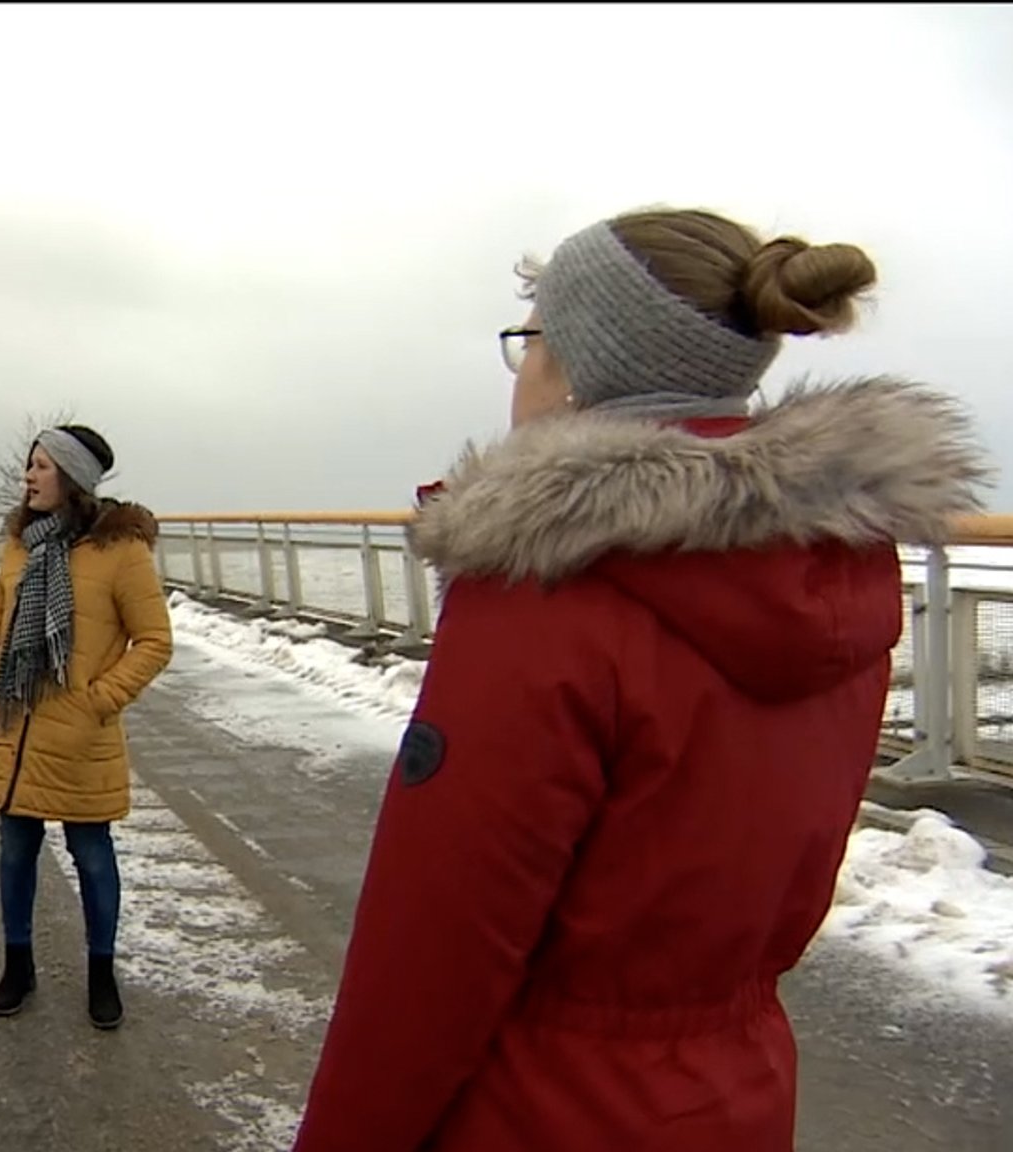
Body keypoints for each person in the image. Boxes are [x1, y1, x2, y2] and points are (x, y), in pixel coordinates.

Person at [290, 208, 988, 1151]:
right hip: (734, 1094)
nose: (520, 367)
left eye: (528, 338)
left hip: (534, 1109)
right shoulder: (841, 572)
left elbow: (433, 957)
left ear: (580, 365)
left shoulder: (545, 590)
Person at [0, 424, 174, 1029]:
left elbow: (155, 642)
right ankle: (18, 966)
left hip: (81, 733)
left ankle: (101, 974)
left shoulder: (122, 551)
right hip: (16, 725)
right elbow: (2, 633)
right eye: (27, 465)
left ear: (72, 477)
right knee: (14, 854)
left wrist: (98, 700)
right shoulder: (20, 546)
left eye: (40, 466)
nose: (27, 477)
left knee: (91, 855)